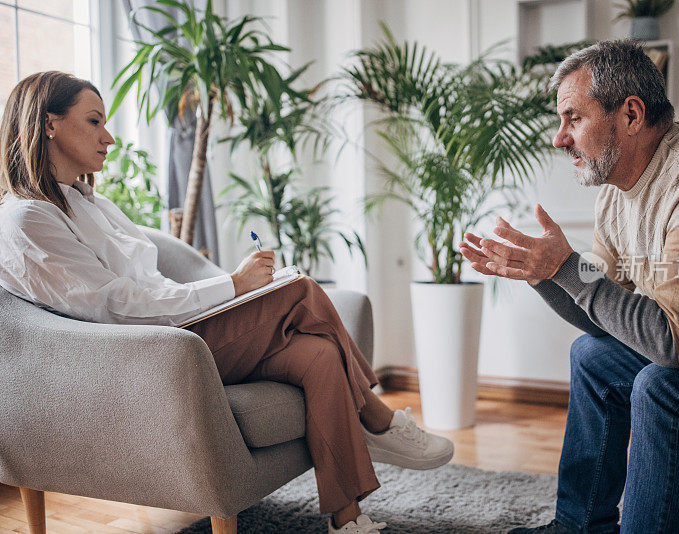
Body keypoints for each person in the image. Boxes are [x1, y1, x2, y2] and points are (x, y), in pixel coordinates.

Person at [0, 71, 454, 534]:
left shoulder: (85, 200)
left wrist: (234, 291)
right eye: (95, 121)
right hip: (146, 354)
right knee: (299, 291)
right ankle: (376, 419)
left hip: (177, 333)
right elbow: (114, 305)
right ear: (49, 124)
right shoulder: (26, 220)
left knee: (318, 354)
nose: (110, 138)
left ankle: (347, 517)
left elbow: (149, 282)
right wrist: (233, 286)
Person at [460, 40, 679, 533]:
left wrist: (568, 269)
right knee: (592, 357)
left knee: (662, 387)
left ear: (632, 114)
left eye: (573, 119)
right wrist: (546, 273)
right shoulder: (617, 196)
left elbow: (668, 341)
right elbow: (604, 315)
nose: (560, 138)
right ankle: (578, 526)